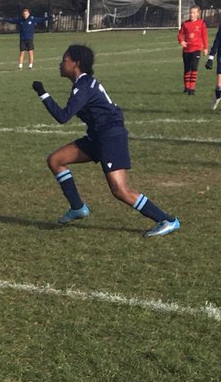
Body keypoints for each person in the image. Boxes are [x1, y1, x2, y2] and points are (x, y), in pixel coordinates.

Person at [32, 44, 180, 237]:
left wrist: (43, 93)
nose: (61, 64)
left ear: (76, 63)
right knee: (55, 160)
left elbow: (63, 116)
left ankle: (167, 220)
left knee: (119, 190)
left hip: (110, 137)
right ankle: (77, 207)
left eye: (64, 60)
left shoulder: (83, 86)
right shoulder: (83, 84)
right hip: (98, 136)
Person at [176, 5, 207, 95]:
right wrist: (181, 41)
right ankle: (186, 87)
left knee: (194, 67)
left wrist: (205, 48)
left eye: (194, 12)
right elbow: (180, 35)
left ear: (198, 13)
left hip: (196, 48)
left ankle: (192, 88)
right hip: (186, 50)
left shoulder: (201, 23)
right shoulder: (185, 24)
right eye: (190, 12)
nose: (191, 14)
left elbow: (204, 36)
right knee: (187, 68)